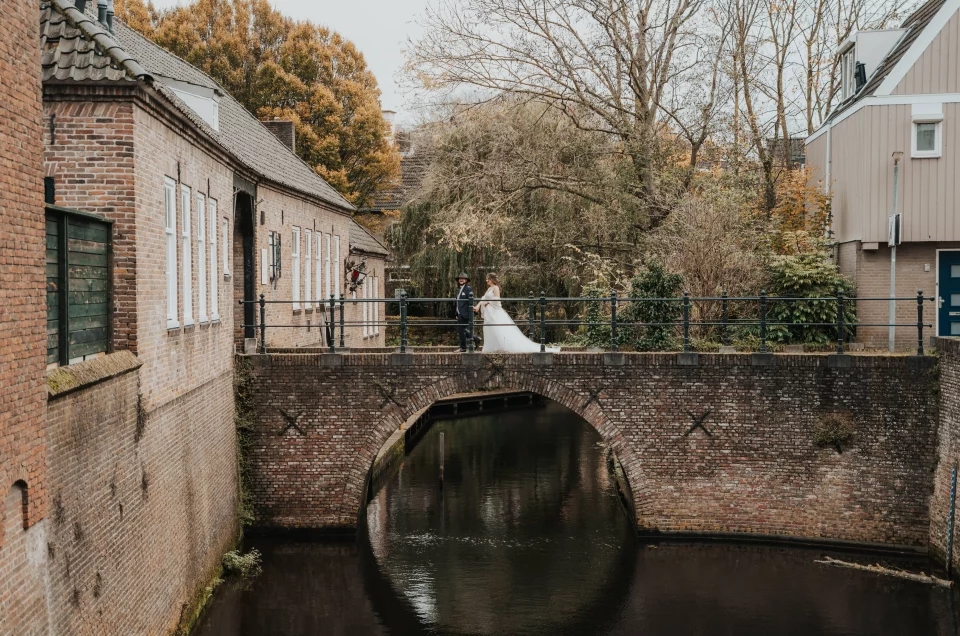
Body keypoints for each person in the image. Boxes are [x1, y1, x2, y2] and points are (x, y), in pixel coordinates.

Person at [475, 273, 559, 353]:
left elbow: (497, 300)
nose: (487, 281)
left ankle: (504, 346)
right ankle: (493, 347)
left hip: (495, 312)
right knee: (490, 329)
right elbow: (483, 298)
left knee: (499, 330)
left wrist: (488, 302)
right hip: (489, 313)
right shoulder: (489, 289)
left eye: (488, 279)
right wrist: (478, 306)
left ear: (492, 279)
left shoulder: (495, 288)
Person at [454, 272, 480, 352]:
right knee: (461, 329)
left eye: (463, 278)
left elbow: (470, 299)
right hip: (460, 313)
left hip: (465, 313)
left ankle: (463, 347)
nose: (461, 280)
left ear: (466, 280)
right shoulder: (459, 290)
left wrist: (472, 307)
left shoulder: (468, 288)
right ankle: (475, 338)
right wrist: (457, 313)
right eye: (460, 278)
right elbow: (458, 302)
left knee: (462, 330)